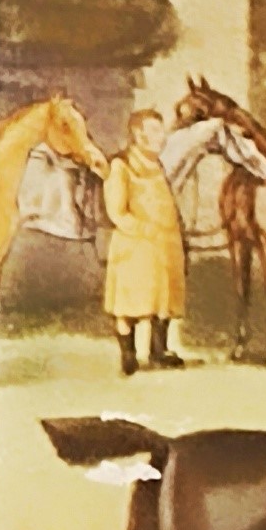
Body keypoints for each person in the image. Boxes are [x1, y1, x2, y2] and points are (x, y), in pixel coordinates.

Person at [102, 108, 188, 376]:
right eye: (155, 131)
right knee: (129, 303)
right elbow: (117, 212)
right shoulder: (121, 166)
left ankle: (158, 350)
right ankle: (128, 354)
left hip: (163, 245)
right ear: (138, 134)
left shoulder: (157, 165)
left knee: (163, 299)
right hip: (134, 246)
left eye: (161, 130)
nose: (162, 137)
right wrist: (146, 230)